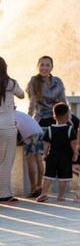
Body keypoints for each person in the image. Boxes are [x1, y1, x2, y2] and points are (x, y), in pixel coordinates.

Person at [25, 55, 67, 197]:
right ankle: (36, 187)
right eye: (42, 65)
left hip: (58, 115)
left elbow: (63, 101)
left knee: (77, 124)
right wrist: (29, 119)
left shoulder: (58, 82)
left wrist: (68, 118)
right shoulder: (34, 81)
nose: (44, 67)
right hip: (43, 117)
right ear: (38, 66)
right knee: (36, 153)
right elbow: (32, 103)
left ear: (52, 67)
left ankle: (76, 162)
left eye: (47, 65)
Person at [36, 103, 78, 202]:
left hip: (52, 155)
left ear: (54, 116)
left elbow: (46, 143)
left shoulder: (50, 129)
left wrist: (45, 154)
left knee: (48, 175)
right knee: (63, 177)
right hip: (65, 156)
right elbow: (73, 143)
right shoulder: (69, 129)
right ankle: (61, 195)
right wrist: (75, 154)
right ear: (67, 116)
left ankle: (44, 193)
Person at [1, 57, 25, 203]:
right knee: (6, 161)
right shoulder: (10, 83)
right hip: (7, 127)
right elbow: (22, 94)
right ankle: (4, 194)